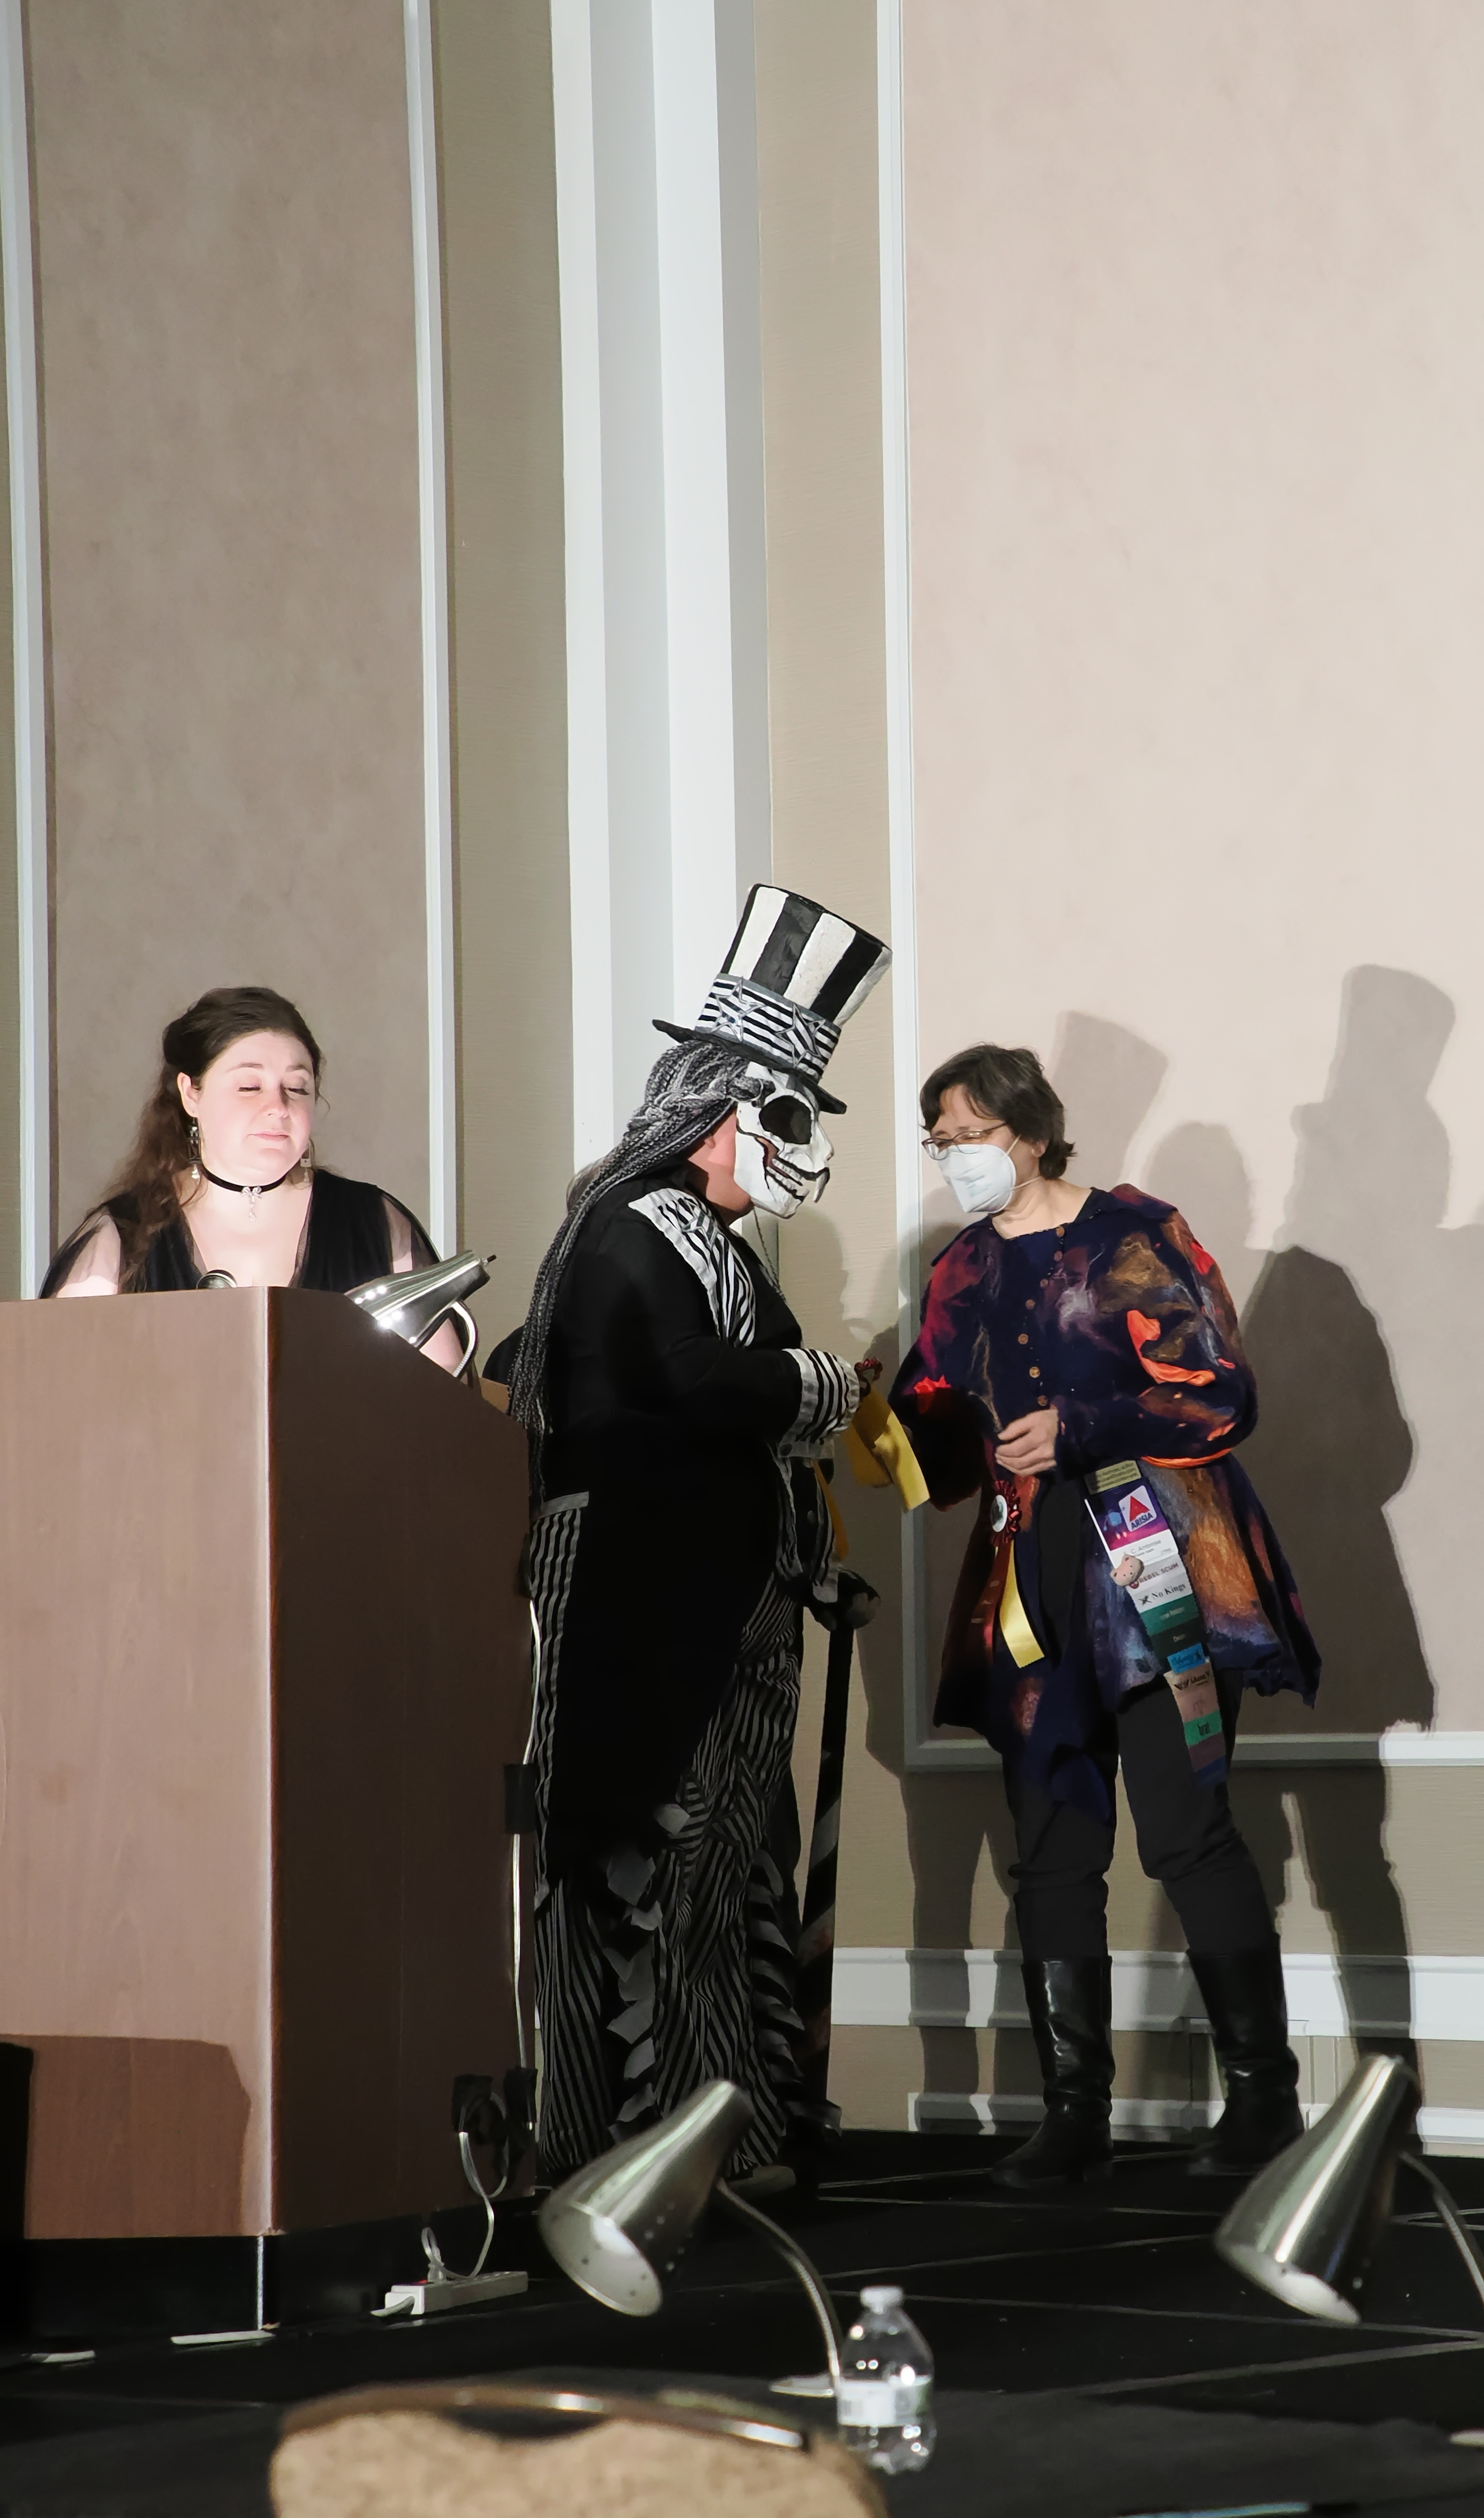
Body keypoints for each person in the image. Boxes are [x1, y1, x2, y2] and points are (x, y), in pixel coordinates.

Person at [507, 887, 888, 2184]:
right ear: (718, 1110)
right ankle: (624, 2141)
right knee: (644, 1855)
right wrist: (819, 1386)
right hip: (646, 1593)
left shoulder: (707, 1242)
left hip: (726, 1592)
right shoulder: (629, 1228)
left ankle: (719, 2124)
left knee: (722, 1864)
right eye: (787, 1116)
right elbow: (687, 1381)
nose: (802, 1149)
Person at [889, 1044, 1320, 2186]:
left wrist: (1080, 1428)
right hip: (1031, 1572)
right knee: (1050, 1849)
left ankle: (1263, 2101)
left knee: (1187, 1831)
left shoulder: (1134, 1236)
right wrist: (893, 1415)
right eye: (940, 1141)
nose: (955, 1158)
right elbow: (939, 1413)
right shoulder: (960, 1267)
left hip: (1155, 1559)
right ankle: (1073, 2111)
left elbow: (1220, 1393)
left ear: (1032, 1134)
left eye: (972, 1135)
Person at [42, 985, 461, 1369]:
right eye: (249, 1087)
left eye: (297, 1088)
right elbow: (58, 1393)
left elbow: (445, 1395)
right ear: (191, 1094)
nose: (278, 1107)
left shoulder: (372, 1221)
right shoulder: (122, 1236)